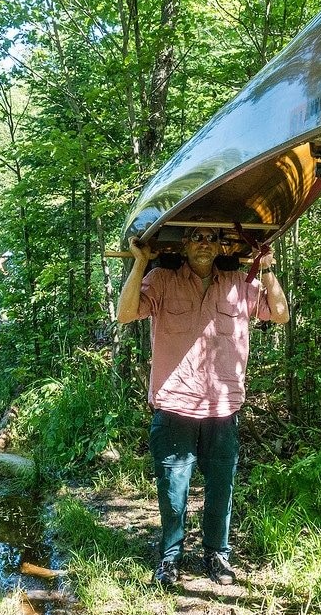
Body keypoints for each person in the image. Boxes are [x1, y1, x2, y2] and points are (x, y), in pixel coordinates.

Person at [116, 226, 290, 587]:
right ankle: (170, 557)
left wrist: (267, 268)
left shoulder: (242, 283)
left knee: (220, 488)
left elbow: (281, 314)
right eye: (197, 236)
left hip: (223, 408)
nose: (204, 244)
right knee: (172, 489)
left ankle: (217, 554)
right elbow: (125, 313)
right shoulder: (162, 280)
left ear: (221, 246)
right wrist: (140, 263)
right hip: (174, 404)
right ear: (185, 243)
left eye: (212, 238)